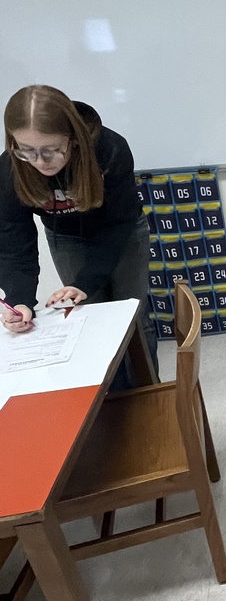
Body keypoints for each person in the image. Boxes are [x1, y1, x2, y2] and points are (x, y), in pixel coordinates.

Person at [0, 84, 158, 382]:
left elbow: (118, 224)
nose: (40, 162)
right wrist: (20, 300)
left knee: (134, 317)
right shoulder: (9, 169)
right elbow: (13, 243)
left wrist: (86, 281)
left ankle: (146, 394)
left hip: (121, 230)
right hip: (67, 236)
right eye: (27, 151)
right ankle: (110, 402)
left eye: (50, 150)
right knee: (90, 319)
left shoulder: (110, 150)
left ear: (72, 139)